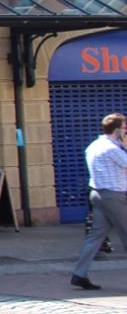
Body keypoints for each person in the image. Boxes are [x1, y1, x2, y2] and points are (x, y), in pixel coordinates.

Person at [71, 113, 127, 290]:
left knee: (95, 236)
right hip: (113, 196)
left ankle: (79, 274)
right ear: (117, 130)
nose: (126, 131)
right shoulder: (112, 149)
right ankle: (79, 274)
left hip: (97, 194)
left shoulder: (94, 145)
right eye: (125, 128)